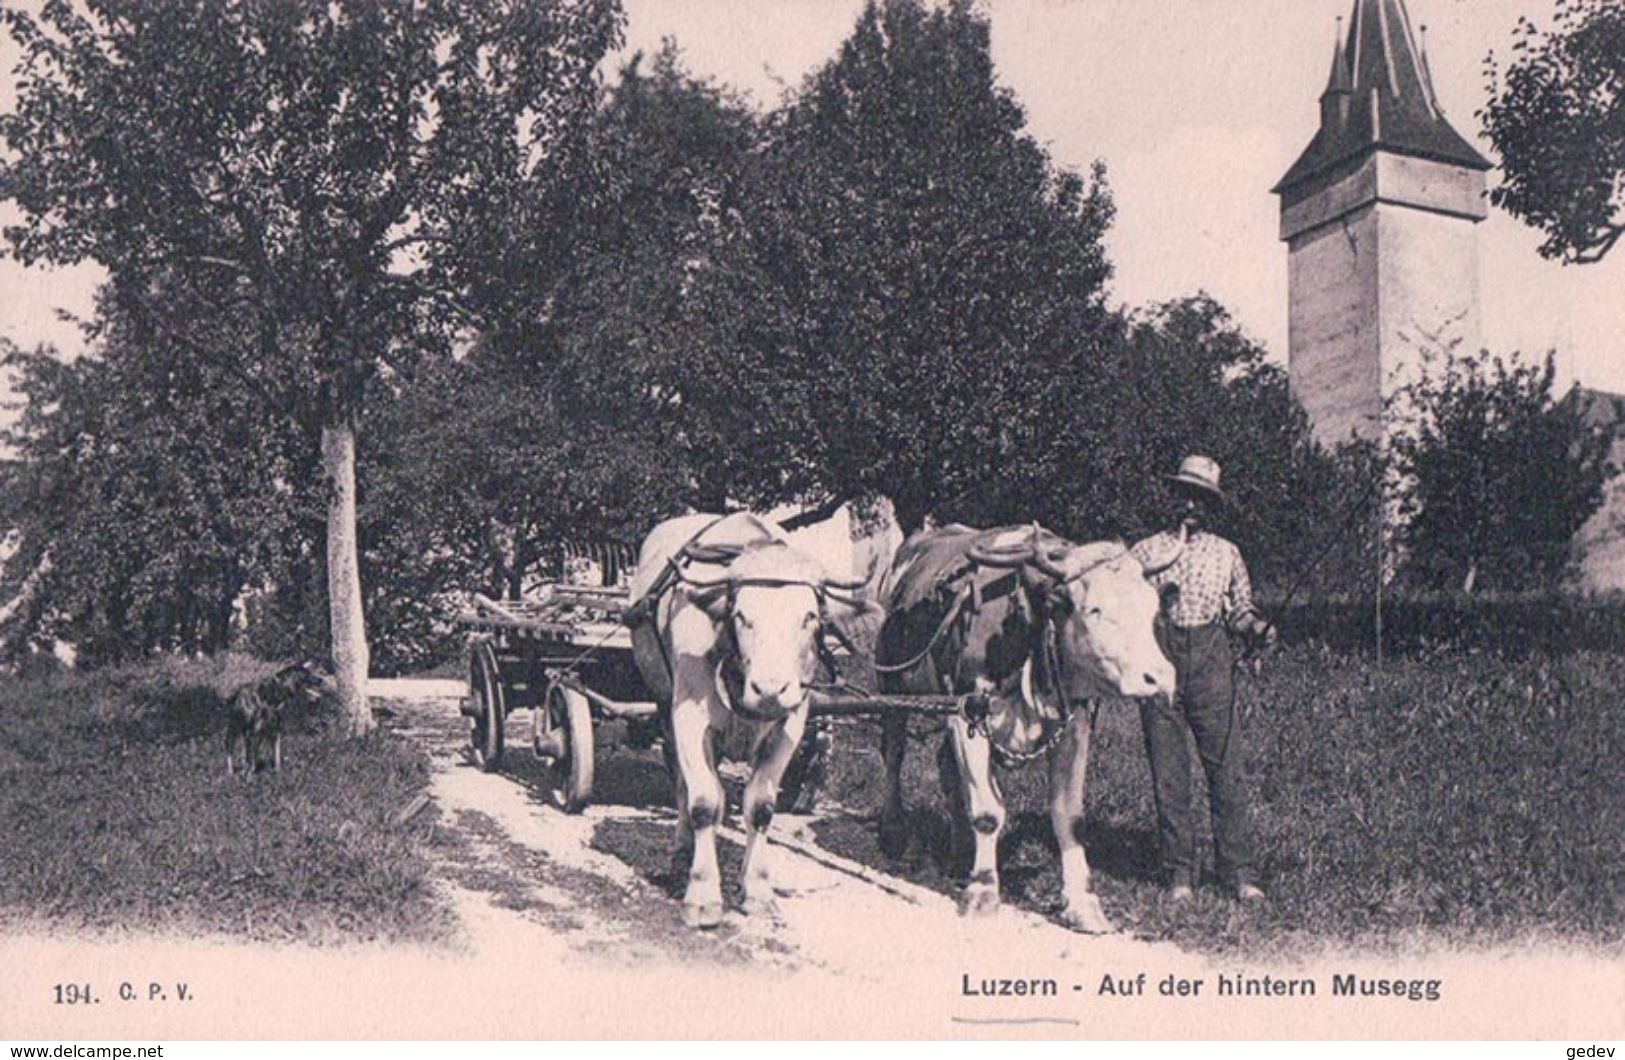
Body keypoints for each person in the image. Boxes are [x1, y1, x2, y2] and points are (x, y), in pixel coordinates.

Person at [1130, 455, 1276, 903]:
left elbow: (1240, 611)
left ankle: (1239, 872)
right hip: (1161, 664)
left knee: (1225, 769)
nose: (1191, 504)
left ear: (1211, 505)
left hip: (1212, 666)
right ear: (1174, 497)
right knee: (1169, 773)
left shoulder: (1226, 552)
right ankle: (1179, 873)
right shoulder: (1145, 552)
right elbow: (1126, 612)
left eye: (1202, 498)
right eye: (1185, 494)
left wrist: (1257, 628)